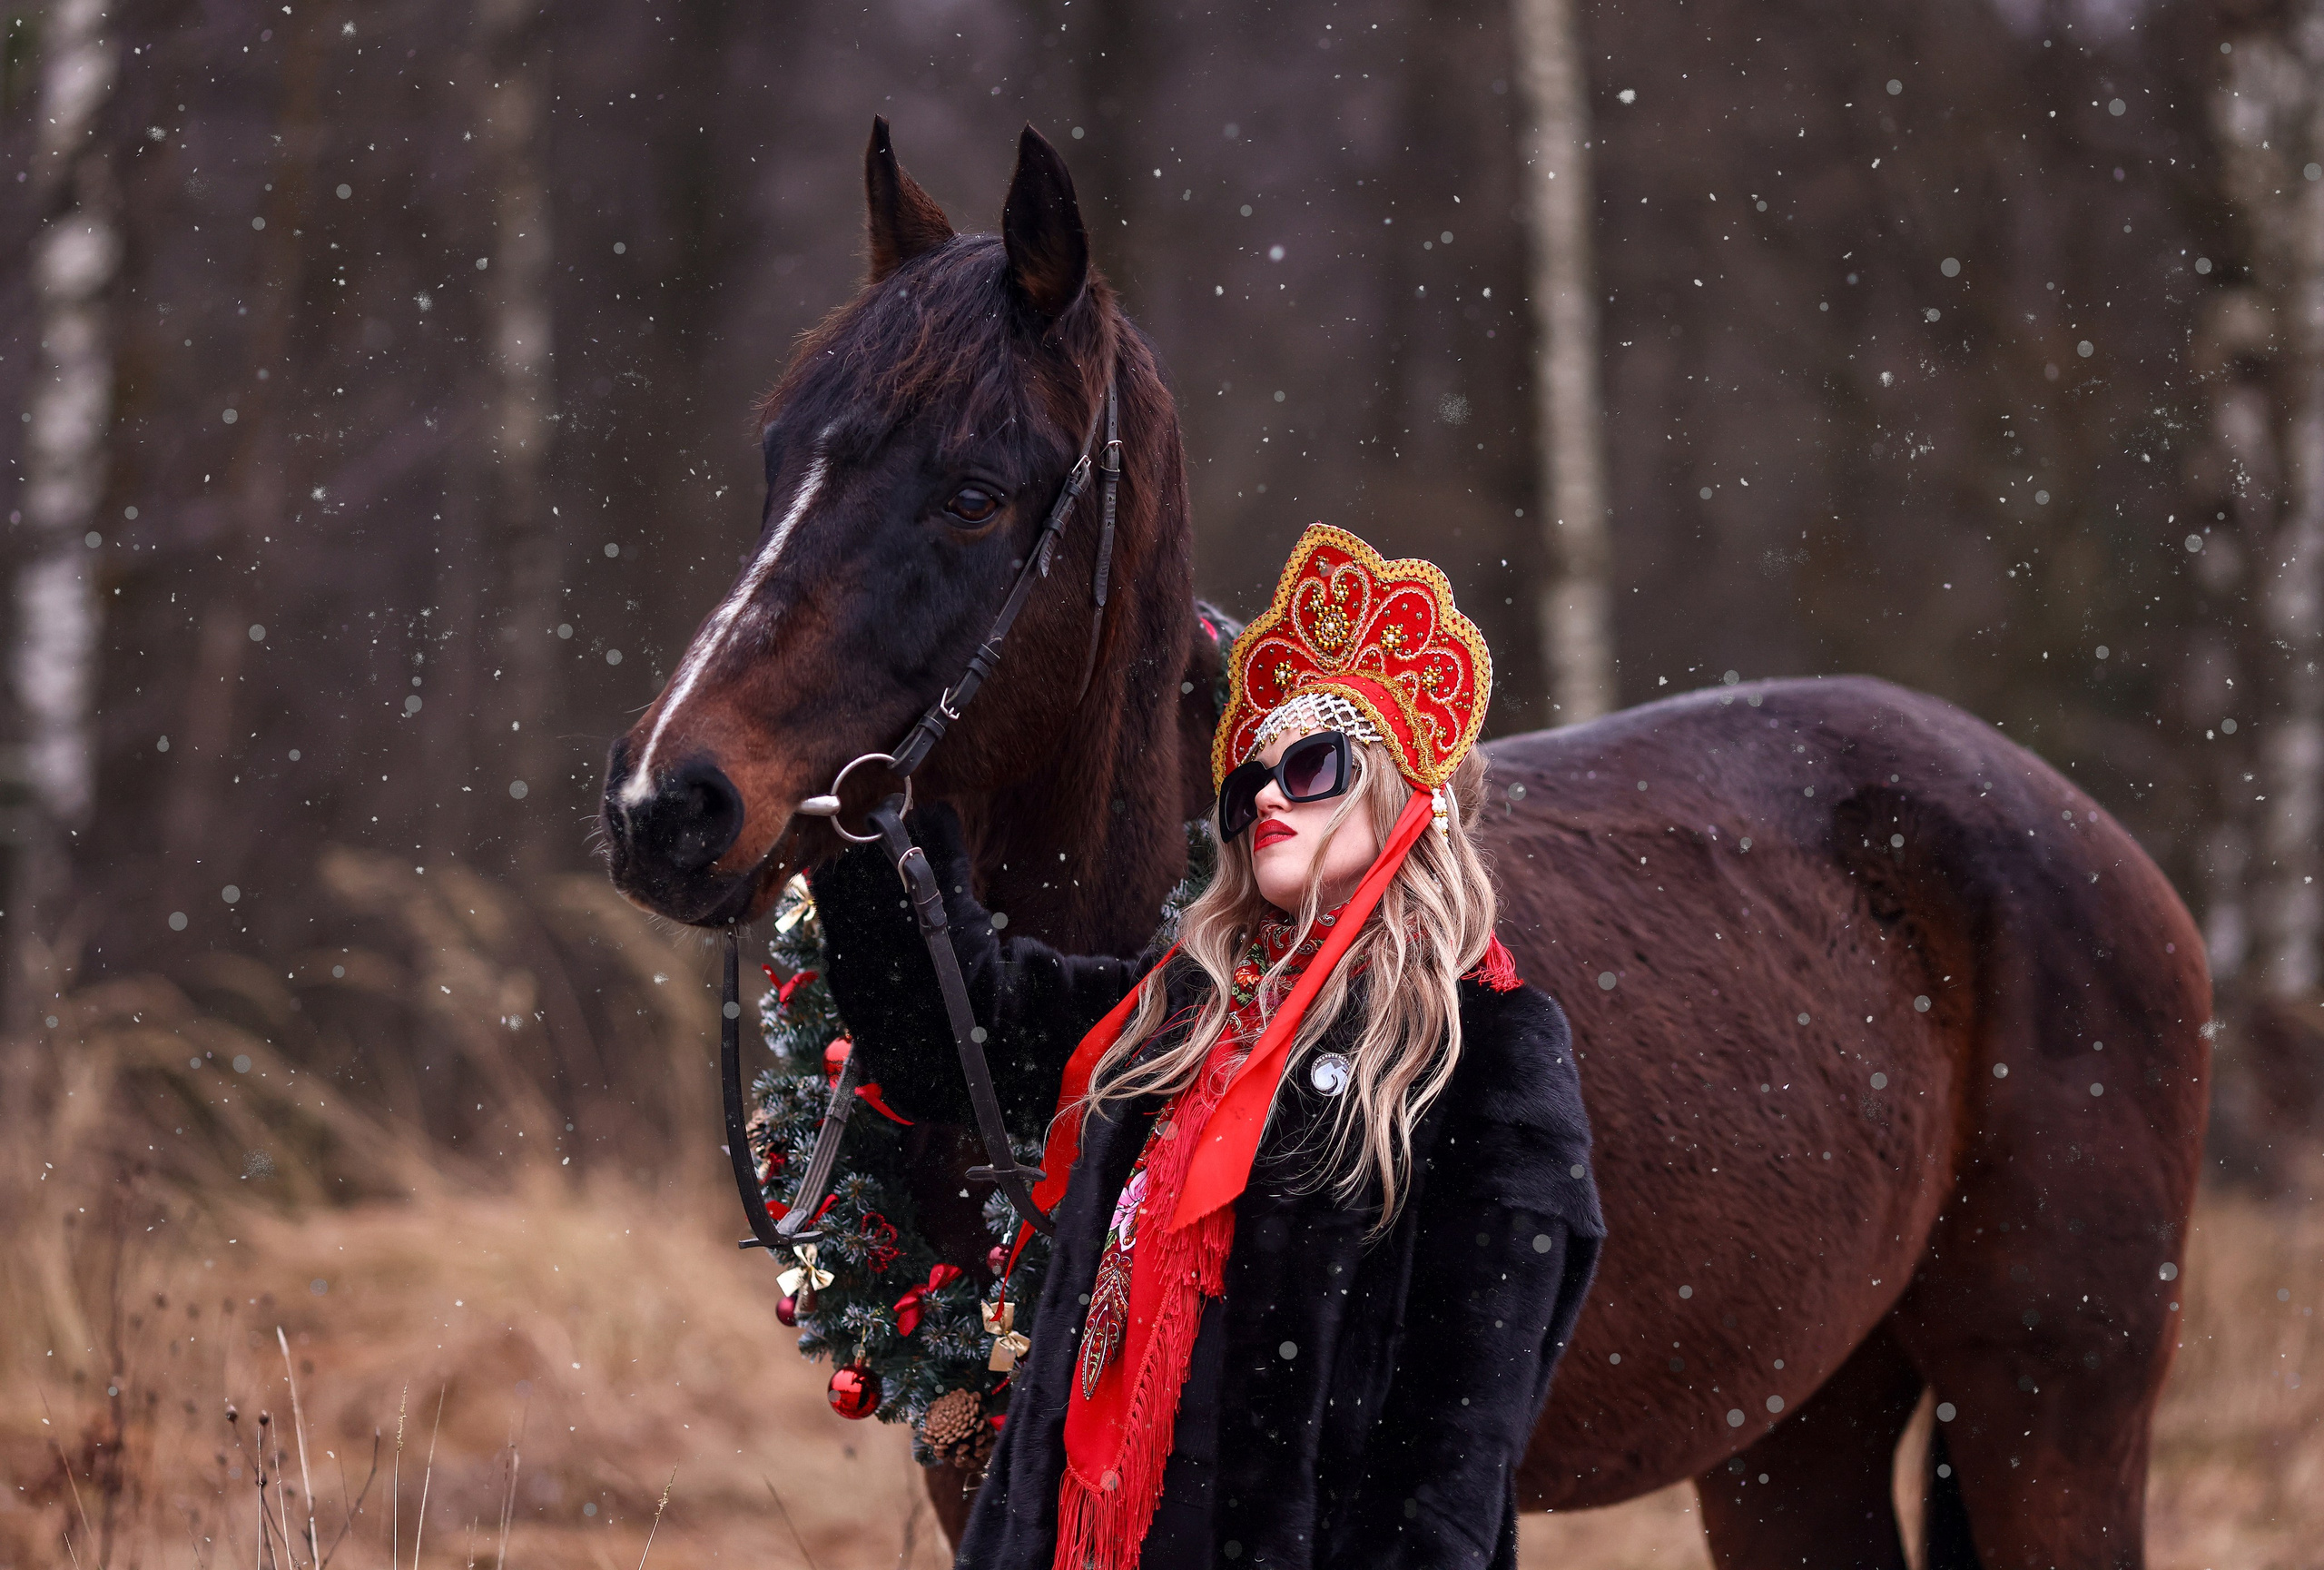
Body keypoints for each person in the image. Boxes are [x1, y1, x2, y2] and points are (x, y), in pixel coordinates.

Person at [817, 525, 1603, 1570]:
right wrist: (869, 823)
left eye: (1313, 763)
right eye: (1248, 784)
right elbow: (948, 1034)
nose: (1267, 794)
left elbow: (1454, 1450)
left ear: (1408, 791)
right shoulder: (1173, 1012)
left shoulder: (1488, 1051)